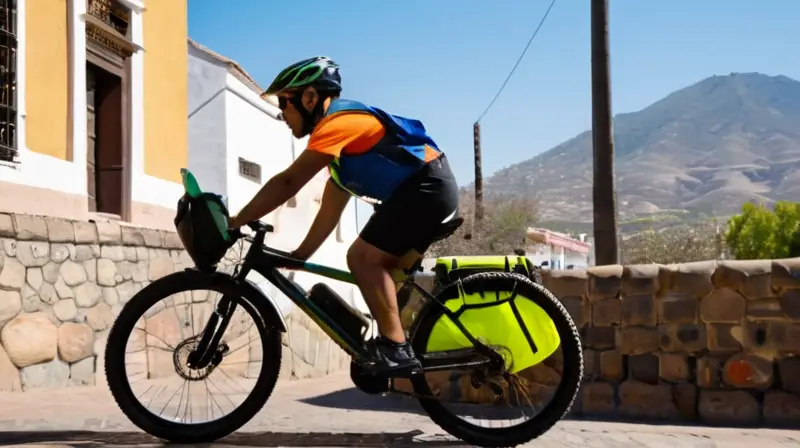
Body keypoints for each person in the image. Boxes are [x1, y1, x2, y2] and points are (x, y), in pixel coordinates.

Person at [228, 56, 460, 377]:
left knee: (362, 258)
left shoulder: (337, 125)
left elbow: (288, 182)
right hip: (425, 191)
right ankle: (397, 345)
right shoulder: (340, 153)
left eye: (285, 102)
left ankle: (396, 348)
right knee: (382, 276)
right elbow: (330, 210)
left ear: (309, 98)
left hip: (426, 187)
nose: (282, 114)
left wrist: (234, 221)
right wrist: (300, 256)